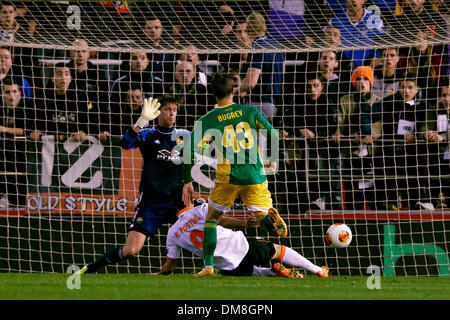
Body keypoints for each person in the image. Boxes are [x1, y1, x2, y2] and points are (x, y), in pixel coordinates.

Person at [181, 73, 288, 276]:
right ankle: (271, 221)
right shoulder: (249, 111)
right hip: (255, 173)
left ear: (213, 94)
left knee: (211, 218)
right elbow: (273, 133)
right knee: (261, 216)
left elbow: (188, 151)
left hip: (229, 178)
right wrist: (272, 158)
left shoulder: (208, 120)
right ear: (233, 91)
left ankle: (208, 266)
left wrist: (187, 180)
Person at [78, 96, 190, 274]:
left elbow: (205, 152)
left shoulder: (185, 136)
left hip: (178, 199)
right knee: (131, 250)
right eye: (167, 109)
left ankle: (223, 267)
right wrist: (142, 120)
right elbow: (125, 143)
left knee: (206, 229)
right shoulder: (148, 133)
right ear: (158, 112)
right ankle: (89, 269)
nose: (171, 113)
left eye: (174, 110)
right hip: (151, 201)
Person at [159, 201, 329, 278]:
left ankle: (273, 272)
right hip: (242, 247)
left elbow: (170, 266)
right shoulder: (200, 209)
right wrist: (244, 224)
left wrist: (158, 274)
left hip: (226, 267)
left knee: (250, 271)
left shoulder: (172, 234)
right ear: (184, 203)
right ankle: (317, 270)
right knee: (278, 250)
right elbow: (223, 221)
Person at [378, 73, 433, 210]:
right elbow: (384, 126)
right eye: (402, 87)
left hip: (414, 149)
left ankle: (419, 202)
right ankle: (391, 203)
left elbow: (426, 126)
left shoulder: (424, 105)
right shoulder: (387, 103)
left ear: (416, 89)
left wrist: (416, 137)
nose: (406, 91)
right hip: (393, 147)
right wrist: (399, 138)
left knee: (418, 165)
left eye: (409, 87)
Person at [332, 66, 382, 210]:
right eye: (358, 79)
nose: (362, 82)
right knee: (353, 195)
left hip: (372, 154)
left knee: (373, 195)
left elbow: (379, 126)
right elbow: (340, 124)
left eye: (366, 79)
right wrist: (342, 134)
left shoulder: (377, 101)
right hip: (351, 153)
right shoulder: (345, 100)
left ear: (371, 82)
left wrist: (370, 135)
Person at [29, 62, 102, 142]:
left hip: (75, 144)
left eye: (66, 74)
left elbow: (94, 119)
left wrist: (83, 131)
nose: (63, 78)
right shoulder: (43, 98)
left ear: (70, 78)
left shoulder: (82, 96)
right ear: (52, 78)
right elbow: (33, 120)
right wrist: (35, 131)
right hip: (50, 144)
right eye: (59, 74)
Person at [235, 11, 285, 122]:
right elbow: (283, 73)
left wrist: (232, 91)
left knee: (248, 139)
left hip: (258, 104)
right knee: (264, 139)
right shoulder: (278, 46)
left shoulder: (257, 48)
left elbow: (251, 83)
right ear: (264, 27)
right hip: (274, 104)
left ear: (248, 29)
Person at [420, 80, 450, 209]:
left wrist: (443, 137)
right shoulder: (433, 110)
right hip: (436, 154)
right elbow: (423, 127)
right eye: (444, 95)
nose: (447, 99)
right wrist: (427, 134)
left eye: (449, 95)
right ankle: (431, 202)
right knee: (433, 177)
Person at [328, 0, 385, 67]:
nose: (353, 0)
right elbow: (323, 42)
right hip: (340, 68)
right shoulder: (334, 21)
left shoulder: (374, 20)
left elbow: (383, 43)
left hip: (367, 68)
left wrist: (377, 57)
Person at [0, 77, 29, 207]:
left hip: (22, 156)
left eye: (14, 92)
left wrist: (6, 130)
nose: (12, 96)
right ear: (2, 94)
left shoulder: (27, 109)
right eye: (7, 92)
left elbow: (27, 130)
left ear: (20, 93)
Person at [165, 61, 211, 131]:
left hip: (197, 129)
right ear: (175, 75)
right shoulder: (167, 90)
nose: (184, 75)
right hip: (173, 128)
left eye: (188, 71)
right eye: (181, 71)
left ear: (193, 74)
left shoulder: (203, 91)